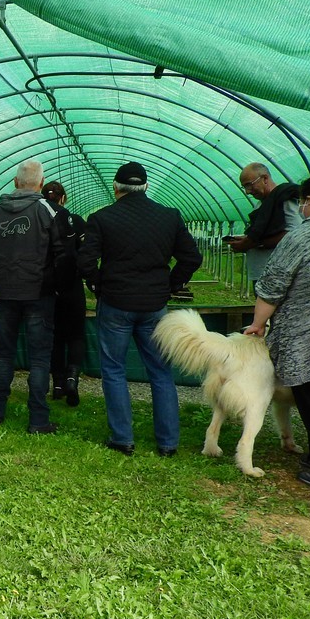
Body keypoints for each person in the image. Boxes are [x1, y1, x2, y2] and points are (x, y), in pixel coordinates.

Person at [77, 162, 203, 457]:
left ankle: (122, 438)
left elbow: (84, 262)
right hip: (154, 306)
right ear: (146, 187)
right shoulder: (168, 216)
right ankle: (168, 443)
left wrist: (98, 285)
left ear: (115, 188)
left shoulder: (102, 218)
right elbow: (191, 258)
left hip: (116, 304)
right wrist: (171, 285)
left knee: (113, 370)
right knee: (160, 372)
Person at [245, 172, 310, 490]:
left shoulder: (304, 237)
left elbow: (272, 287)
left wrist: (257, 323)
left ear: (309, 200)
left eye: (300, 202)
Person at [0, 160, 67, 433]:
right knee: (39, 357)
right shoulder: (48, 212)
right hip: (39, 294)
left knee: (3, 354)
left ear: (15, 182)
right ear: (40, 182)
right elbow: (64, 256)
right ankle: (38, 419)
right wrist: (51, 285)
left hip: (5, 294)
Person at [42, 180, 87, 406]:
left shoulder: (40, 220)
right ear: (63, 198)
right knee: (76, 335)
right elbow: (87, 253)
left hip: (48, 287)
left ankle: (57, 385)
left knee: (55, 337)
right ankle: (72, 378)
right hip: (73, 286)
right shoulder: (76, 221)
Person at [228, 163, 303, 285]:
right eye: (244, 187)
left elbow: (295, 234)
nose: (247, 192)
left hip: (278, 275)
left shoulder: (284, 199)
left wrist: (253, 243)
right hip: (262, 273)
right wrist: (246, 240)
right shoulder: (261, 204)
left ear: (265, 178)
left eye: (249, 185)